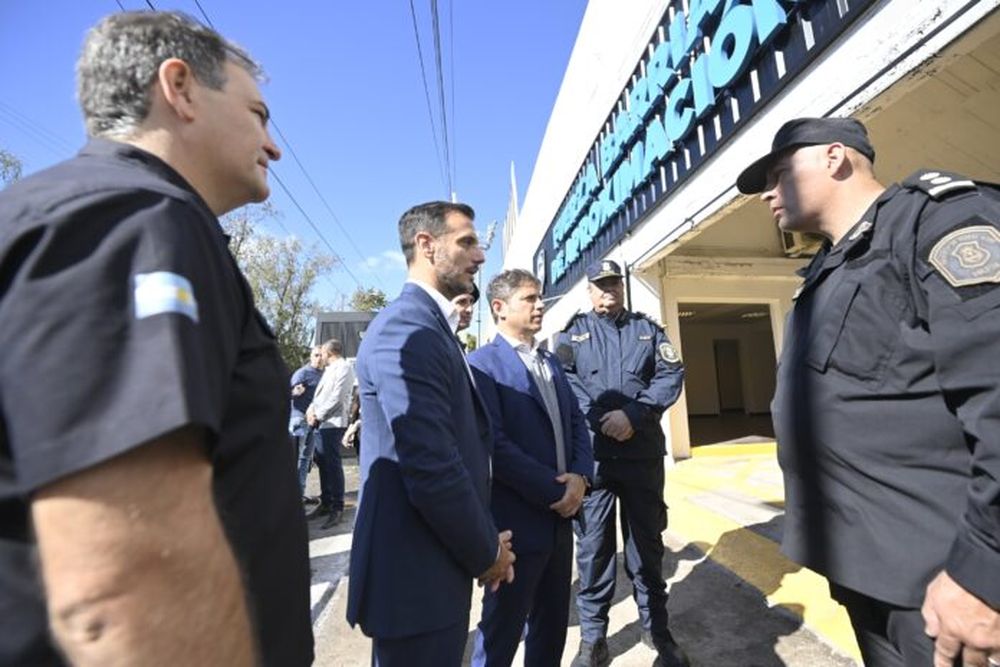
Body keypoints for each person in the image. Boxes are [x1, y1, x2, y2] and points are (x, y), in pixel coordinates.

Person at [0, 11, 312, 666]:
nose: (273, 144)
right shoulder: (134, 219)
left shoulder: (86, 209)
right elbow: (131, 572)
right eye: (258, 114)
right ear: (180, 88)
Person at [736, 116, 1000, 667]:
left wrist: (984, 572)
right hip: (874, 573)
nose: (767, 194)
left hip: (946, 584)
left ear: (835, 158)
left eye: (780, 174)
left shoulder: (936, 222)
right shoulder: (829, 267)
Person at [346, 201, 516, 666]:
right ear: (426, 245)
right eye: (466, 242)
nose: (480, 256)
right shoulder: (406, 328)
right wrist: (487, 552)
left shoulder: (432, 328)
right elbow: (432, 467)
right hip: (413, 582)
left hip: (434, 571)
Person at [558, 259, 687, 667]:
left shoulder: (648, 331)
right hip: (595, 460)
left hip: (641, 456)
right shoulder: (571, 335)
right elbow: (564, 383)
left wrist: (634, 414)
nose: (608, 290)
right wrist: (602, 420)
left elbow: (670, 375)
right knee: (594, 552)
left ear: (623, 287)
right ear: (589, 291)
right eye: (601, 285)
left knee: (647, 547)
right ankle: (593, 640)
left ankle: (658, 633)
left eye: (614, 283)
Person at [468, 269, 594, 667]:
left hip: (560, 523)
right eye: (530, 299)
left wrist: (581, 477)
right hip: (517, 525)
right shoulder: (481, 366)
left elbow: (576, 422)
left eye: (540, 297)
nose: (540, 305)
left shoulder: (550, 361)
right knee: (501, 633)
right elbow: (496, 447)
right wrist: (559, 492)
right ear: (499, 308)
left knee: (551, 628)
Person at [306, 338, 355, 528]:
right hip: (320, 422)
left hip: (332, 423)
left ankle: (337, 507)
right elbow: (319, 395)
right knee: (323, 462)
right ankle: (326, 502)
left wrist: (318, 414)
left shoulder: (344, 368)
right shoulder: (328, 370)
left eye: (322, 353)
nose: (321, 356)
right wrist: (311, 410)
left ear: (329, 352)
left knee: (332, 464)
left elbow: (337, 397)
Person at [290, 345, 324, 496]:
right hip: (299, 419)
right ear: (311, 357)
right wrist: (295, 392)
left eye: (321, 355)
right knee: (295, 457)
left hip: (315, 421)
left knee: (305, 459)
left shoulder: (325, 374)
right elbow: (287, 392)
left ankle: (300, 492)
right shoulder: (302, 373)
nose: (319, 358)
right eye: (316, 355)